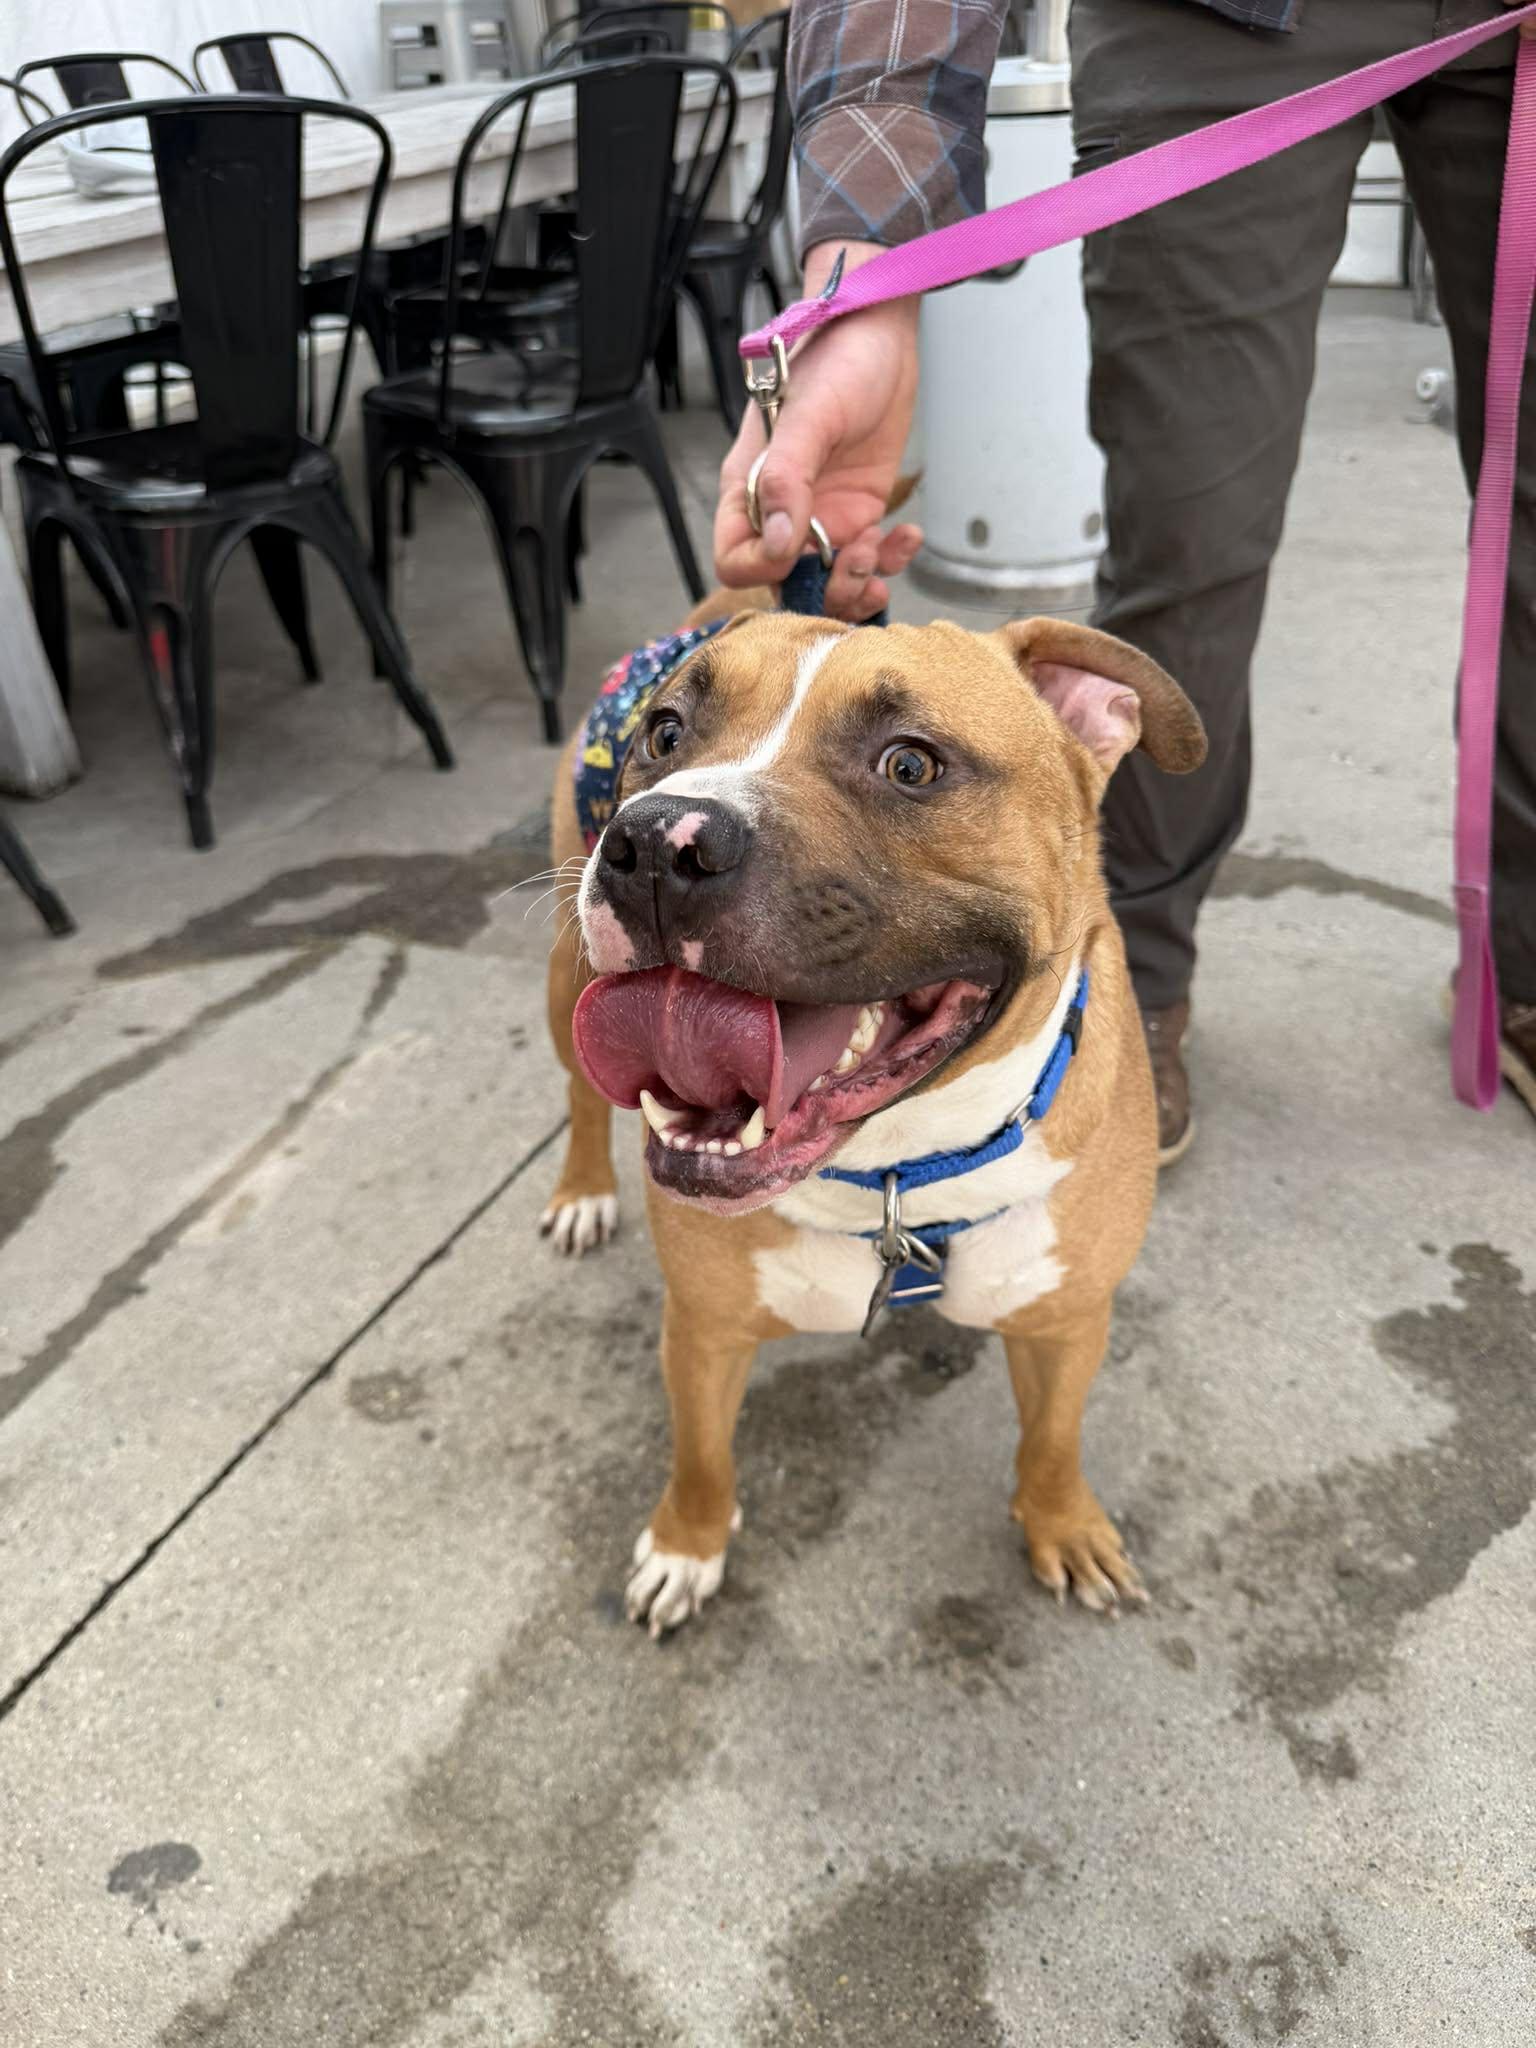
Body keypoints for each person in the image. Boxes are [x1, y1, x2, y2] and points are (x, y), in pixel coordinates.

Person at [712, 0, 1536, 1160]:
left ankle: (1533, 963)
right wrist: (865, 286)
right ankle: (1127, 965)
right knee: (1191, 546)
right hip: (1222, 19)